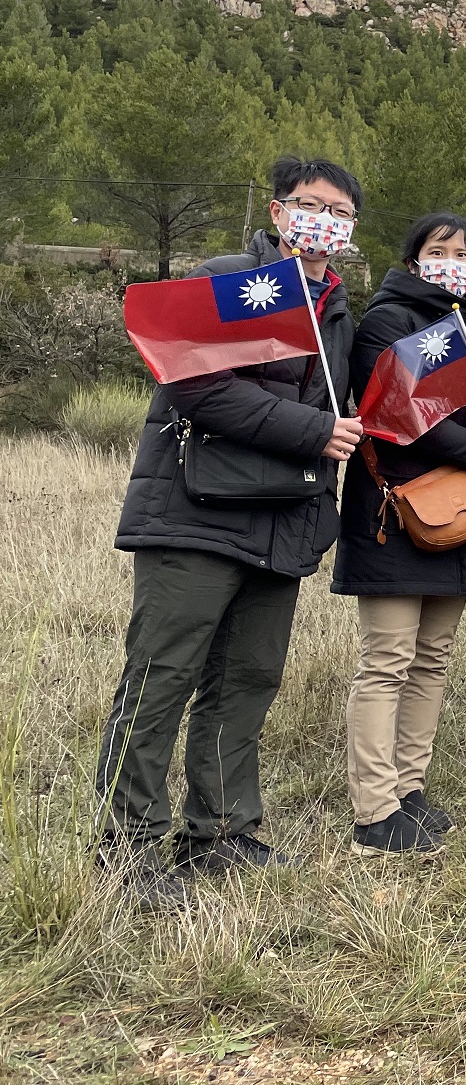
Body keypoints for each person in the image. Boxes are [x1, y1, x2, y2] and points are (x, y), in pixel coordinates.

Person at [96, 157, 365, 905]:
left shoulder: (338, 307)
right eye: (310, 205)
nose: (324, 221)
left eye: (340, 213)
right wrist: (314, 431)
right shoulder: (229, 279)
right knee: (161, 679)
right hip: (195, 513)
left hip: (281, 523)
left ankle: (220, 831)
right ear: (278, 212)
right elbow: (194, 383)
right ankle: (127, 850)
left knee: (245, 680)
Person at [334, 214, 466, 857]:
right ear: (415, 258)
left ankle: (408, 791)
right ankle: (373, 806)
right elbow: (404, 415)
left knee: (432, 659)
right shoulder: (387, 322)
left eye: (465, 252)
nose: (454, 261)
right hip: (397, 514)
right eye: (439, 250)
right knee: (387, 659)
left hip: (460, 512)